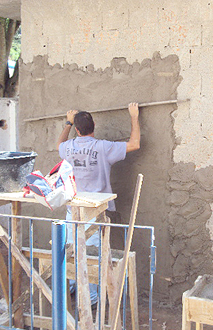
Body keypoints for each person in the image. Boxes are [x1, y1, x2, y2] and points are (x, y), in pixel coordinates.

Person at [56, 102, 140, 305]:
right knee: (90, 256)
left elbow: (58, 144)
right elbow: (135, 144)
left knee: (72, 251)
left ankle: (73, 291)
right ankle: (91, 299)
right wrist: (134, 116)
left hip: (73, 209)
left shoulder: (68, 148)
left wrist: (67, 122)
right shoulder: (103, 147)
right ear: (94, 127)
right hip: (94, 212)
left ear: (77, 130)